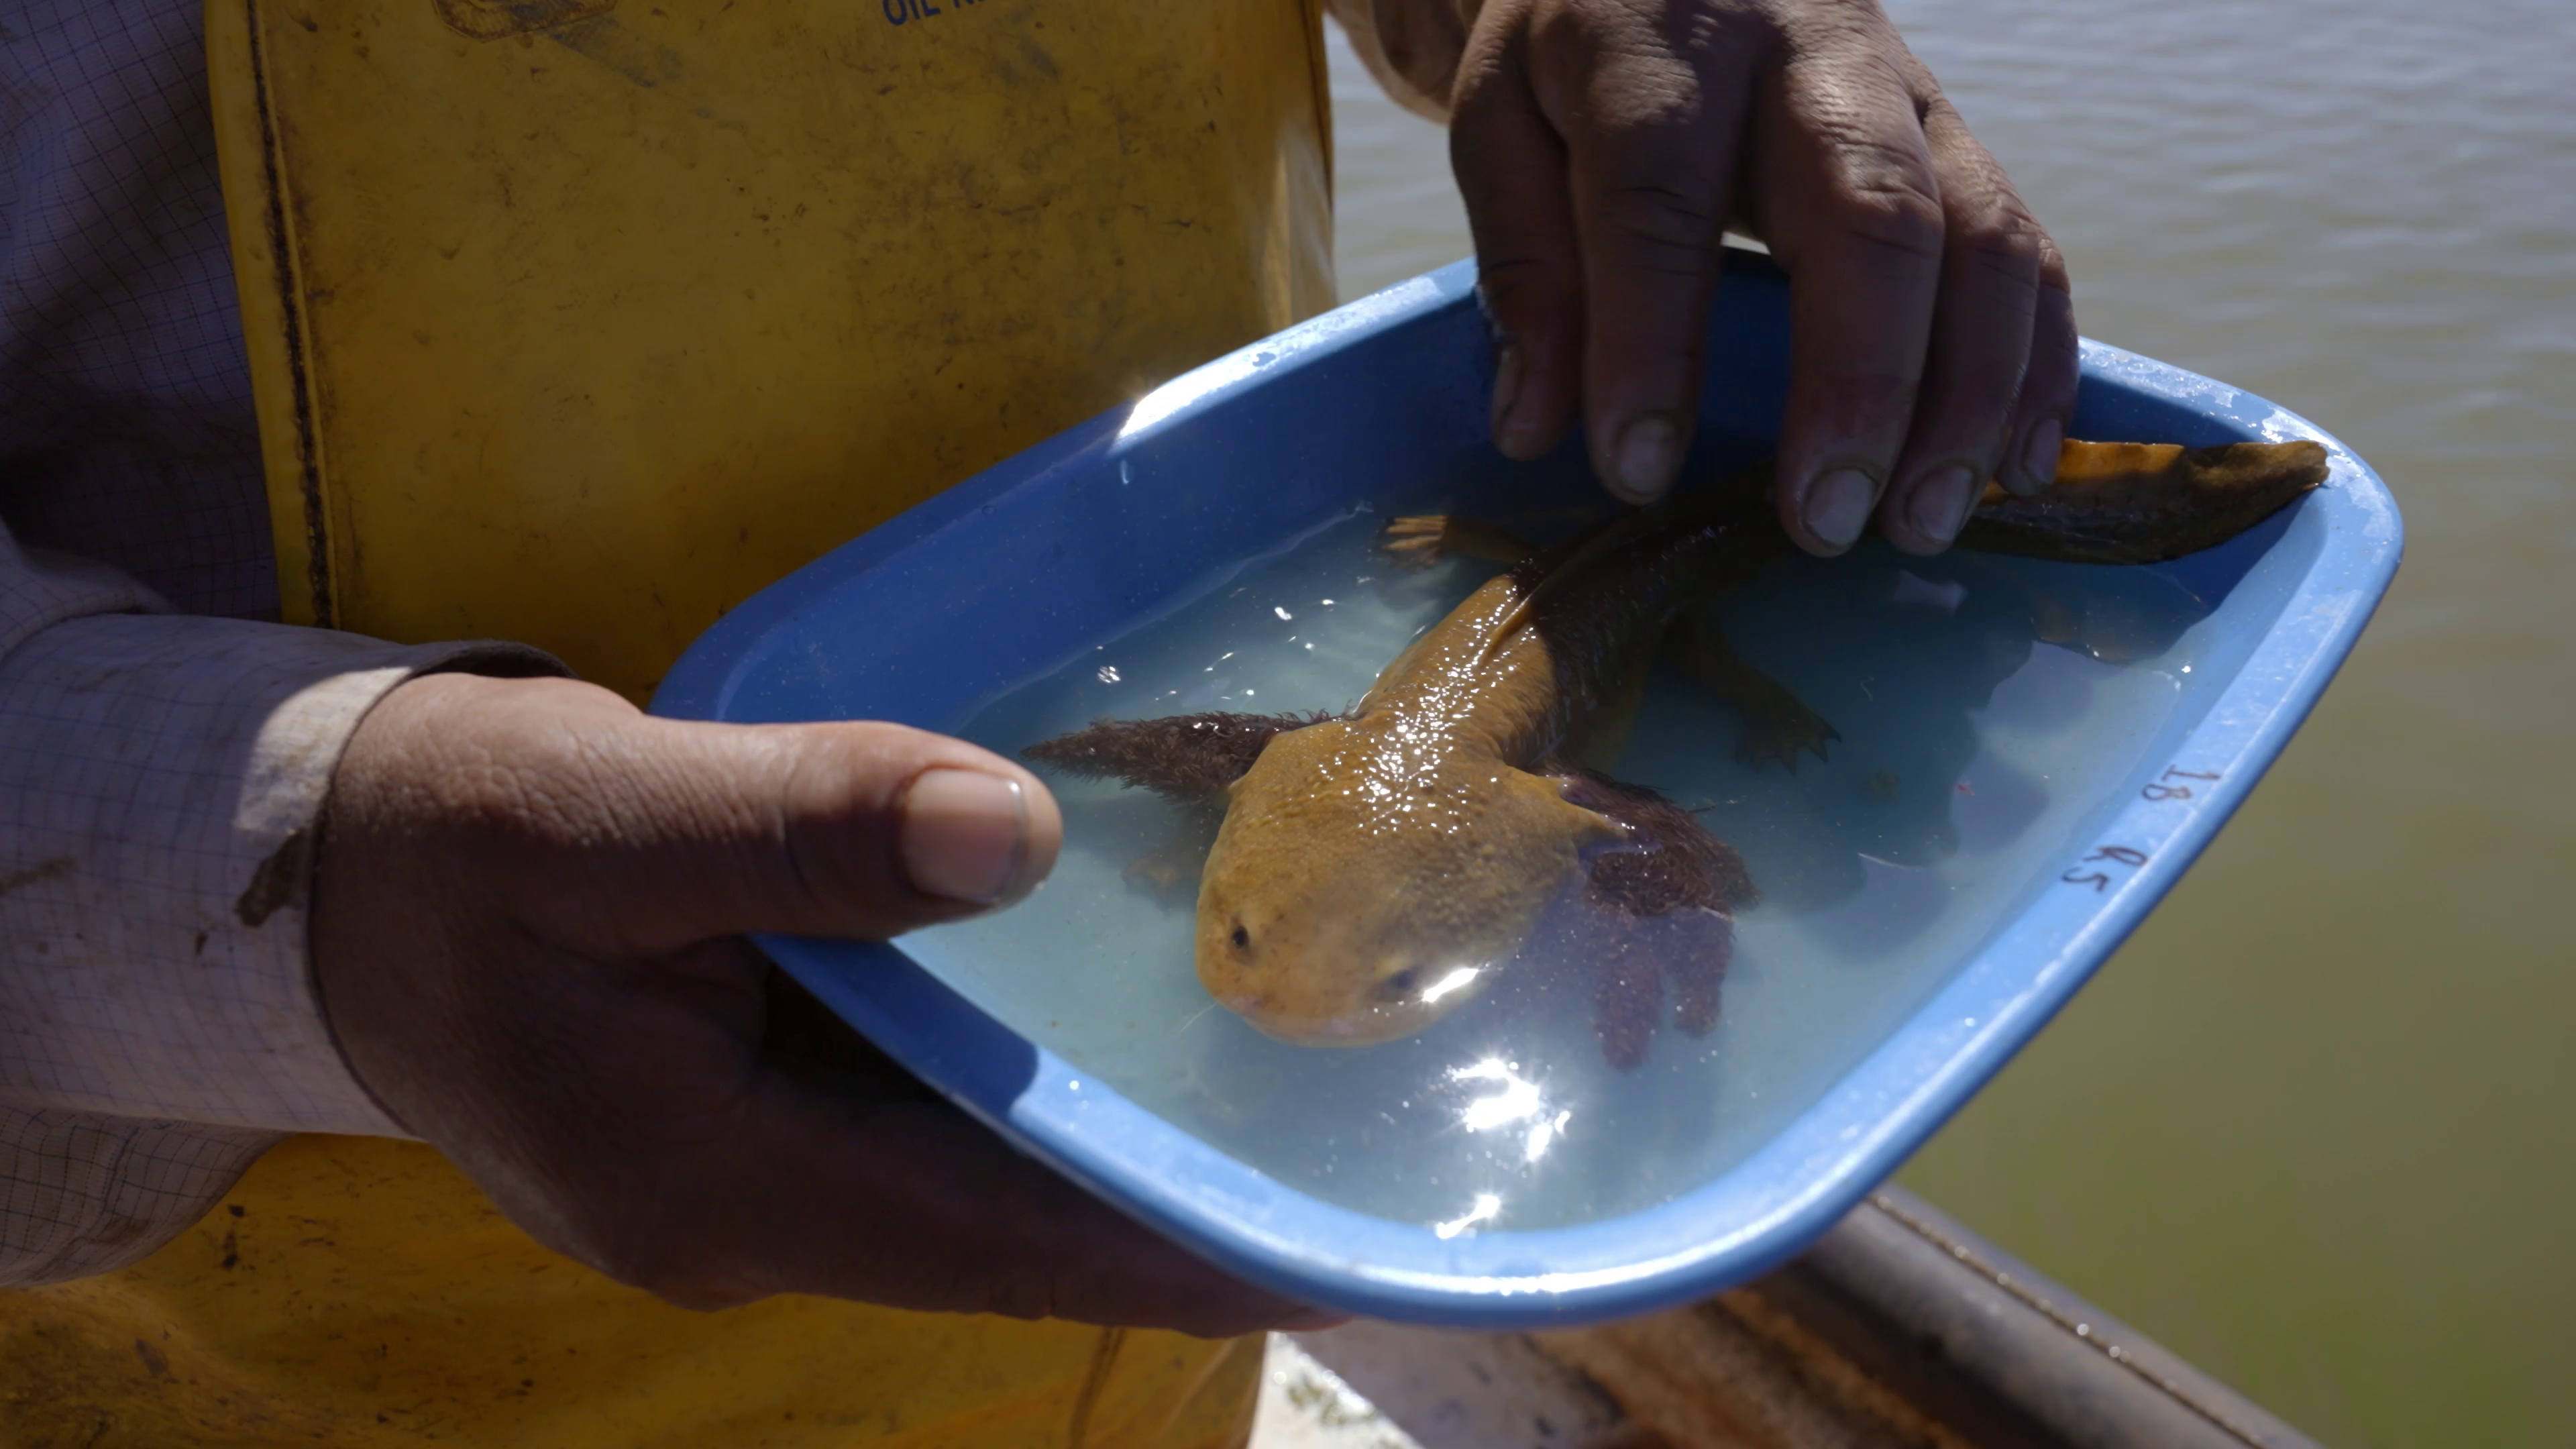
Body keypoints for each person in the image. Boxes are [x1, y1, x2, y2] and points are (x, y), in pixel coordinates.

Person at [0, 0, 2072, 1441]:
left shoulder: (1393, 781)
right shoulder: (1325, 773)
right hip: (264, 1291)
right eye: (1271, 947)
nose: (1289, 995)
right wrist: (284, 871)